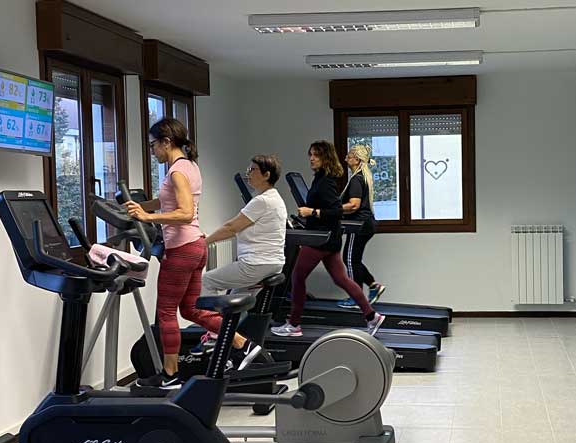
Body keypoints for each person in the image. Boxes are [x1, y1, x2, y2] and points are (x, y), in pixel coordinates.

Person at [124, 118, 252, 389]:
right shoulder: (189, 166)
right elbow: (167, 201)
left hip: (182, 249)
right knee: (191, 310)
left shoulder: (177, 172)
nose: (152, 151)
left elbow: (184, 213)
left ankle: (170, 375)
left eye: (153, 145)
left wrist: (148, 217)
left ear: (166, 142)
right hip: (195, 246)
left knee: (166, 312)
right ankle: (243, 344)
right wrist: (141, 206)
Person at [270, 140, 385, 337]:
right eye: (310, 154)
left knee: (297, 277)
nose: (312, 158)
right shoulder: (321, 178)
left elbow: (336, 211)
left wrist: (312, 212)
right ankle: (372, 316)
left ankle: (294, 324)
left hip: (321, 239)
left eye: (316, 155)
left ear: (326, 158)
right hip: (329, 238)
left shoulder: (326, 182)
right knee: (341, 279)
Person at [189, 154, 288, 365]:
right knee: (235, 302)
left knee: (207, 281)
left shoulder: (261, 201)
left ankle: (215, 335)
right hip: (270, 264)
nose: (248, 174)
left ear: (266, 175)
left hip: (255, 265)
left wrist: (203, 242)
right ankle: (233, 342)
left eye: (252, 170)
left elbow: (231, 227)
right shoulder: (275, 198)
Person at [336, 144, 386, 309]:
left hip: (358, 225)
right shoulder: (362, 176)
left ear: (357, 160)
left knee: (350, 259)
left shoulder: (357, 179)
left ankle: (356, 297)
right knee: (354, 259)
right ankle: (373, 285)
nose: (345, 159)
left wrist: (333, 209)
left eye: (349, 156)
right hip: (366, 224)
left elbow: (354, 205)